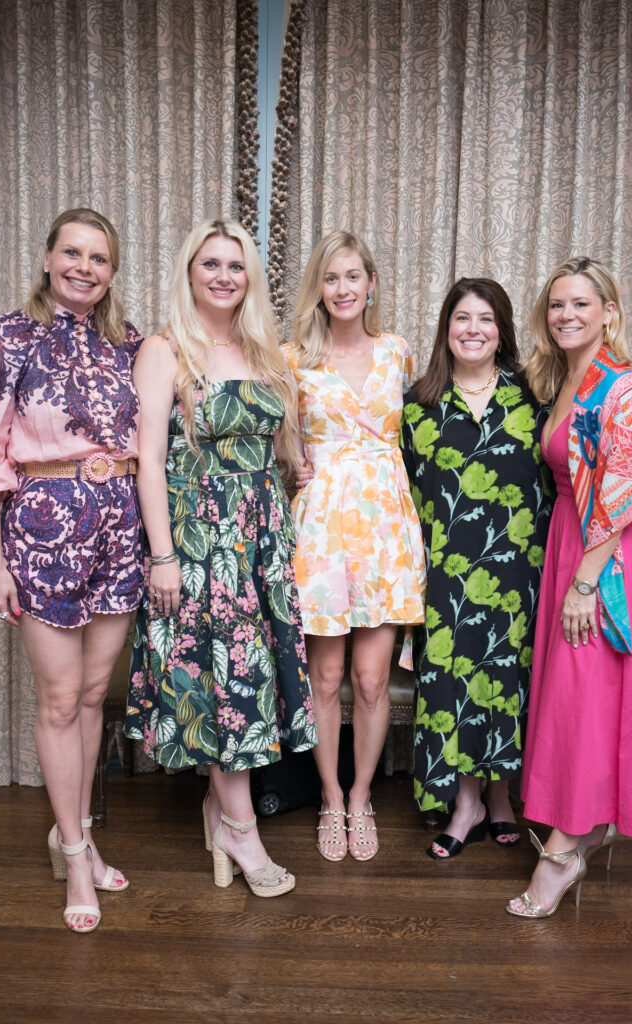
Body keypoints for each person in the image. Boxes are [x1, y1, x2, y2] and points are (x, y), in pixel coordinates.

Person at [0, 208, 144, 933]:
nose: (84, 267)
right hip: (43, 532)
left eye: (99, 258)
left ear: (112, 270)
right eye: (73, 252)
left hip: (121, 531)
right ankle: (72, 853)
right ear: (47, 256)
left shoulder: (129, 342)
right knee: (60, 701)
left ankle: (84, 832)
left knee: (94, 696)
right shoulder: (9, 336)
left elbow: (170, 423)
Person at [125, 218, 316, 898]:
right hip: (200, 542)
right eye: (211, 263)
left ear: (250, 277)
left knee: (251, 681)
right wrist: (164, 556)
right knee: (223, 684)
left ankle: (224, 811)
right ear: (190, 271)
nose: (224, 276)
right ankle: (240, 829)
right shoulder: (165, 349)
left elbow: (280, 450)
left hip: (261, 538)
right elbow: (148, 462)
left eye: (236, 265)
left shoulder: (265, 350)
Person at [507, 257, 632, 918]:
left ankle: (562, 854)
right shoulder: (564, 377)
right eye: (557, 306)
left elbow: (629, 493)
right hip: (569, 549)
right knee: (578, 701)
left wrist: (584, 582)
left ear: (608, 310)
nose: (567, 315)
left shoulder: (620, 385)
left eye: (581, 303)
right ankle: (582, 832)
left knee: (590, 699)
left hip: (600, 562)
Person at [283, 231, 425, 862]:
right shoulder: (292, 360)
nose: (342, 289)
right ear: (319, 288)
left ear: (371, 284)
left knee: (371, 681)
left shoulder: (398, 352)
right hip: (320, 528)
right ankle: (330, 799)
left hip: (386, 528)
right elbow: (277, 439)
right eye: (330, 278)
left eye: (352, 277)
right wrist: (293, 468)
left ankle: (362, 796)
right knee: (326, 675)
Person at [400, 278, 552, 860]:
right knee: (456, 685)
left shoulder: (534, 395)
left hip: (521, 572)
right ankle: (465, 804)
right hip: (449, 576)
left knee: (511, 682)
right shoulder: (420, 404)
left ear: (502, 329)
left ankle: (502, 798)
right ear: (446, 328)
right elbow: (404, 492)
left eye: (485, 319)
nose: (473, 329)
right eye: (462, 318)